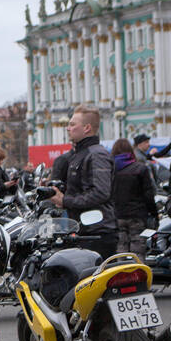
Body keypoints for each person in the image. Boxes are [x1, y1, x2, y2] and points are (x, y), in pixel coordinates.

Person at [50, 107, 118, 257]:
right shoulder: (80, 154)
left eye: (73, 124)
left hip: (97, 232)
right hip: (84, 230)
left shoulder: (96, 154)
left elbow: (100, 192)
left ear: (87, 128)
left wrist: (65, 200)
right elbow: (80, 189)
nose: (68, 128)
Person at [112, 138, 157, 254]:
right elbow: (148, 194)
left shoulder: (111, 170)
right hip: (137, 215)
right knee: (138, 248)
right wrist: (154, 214)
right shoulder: (140, 169)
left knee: (121, 246)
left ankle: (120, 268)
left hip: (118, 215)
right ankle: (137, 270)